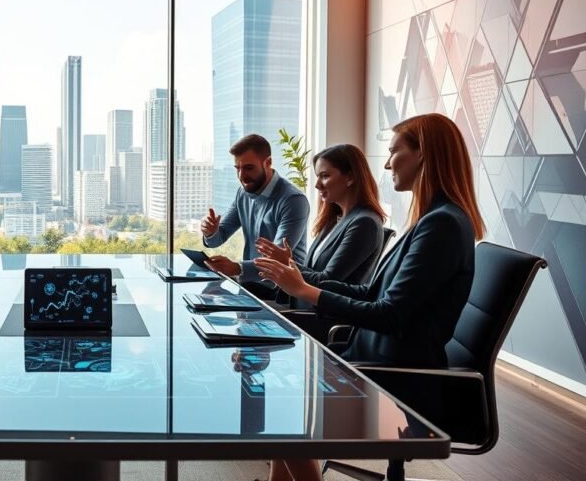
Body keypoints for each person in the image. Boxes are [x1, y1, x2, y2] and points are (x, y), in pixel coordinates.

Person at [253, 113, 486, 481]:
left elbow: (388, 314)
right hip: (375, 359)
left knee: (283, 406)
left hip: (397, 376)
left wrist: (306, 290)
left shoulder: (442, 224)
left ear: (424, 155)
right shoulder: (430, 220)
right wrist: (300, 283)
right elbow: (371, 293)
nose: (388, 161)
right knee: (282, 399)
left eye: (395, 151)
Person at [255, 144, 386, 309]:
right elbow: (314, 273)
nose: (317, 184)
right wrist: (286, 262)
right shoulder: (334, 220)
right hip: (300, 308)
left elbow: (326, 282)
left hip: (320, 318)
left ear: (350, 177)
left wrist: (287, 263)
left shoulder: (364, 224)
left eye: (324, 176)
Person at [202, 135, 310, 291]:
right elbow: (218, 239)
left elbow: (277, 260)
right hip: (250, 287)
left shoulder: (293, 200)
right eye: (238, 169)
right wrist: (211, 232)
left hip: (281, 293)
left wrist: (236, 268)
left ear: (268, 162)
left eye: (248, 168)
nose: (242, 176)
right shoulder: (243, 193)